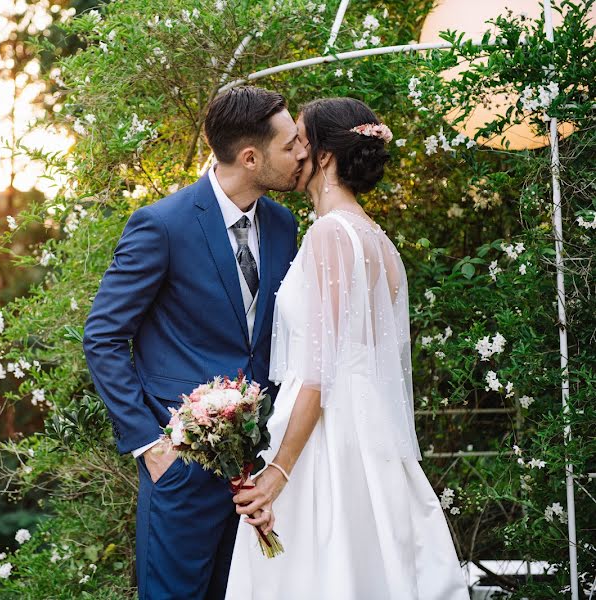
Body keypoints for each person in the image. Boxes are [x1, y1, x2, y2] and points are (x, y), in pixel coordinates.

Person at [225, 97, 470, 600]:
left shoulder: (330, 236)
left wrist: (278, 472)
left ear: (326, 156)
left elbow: (321, 371)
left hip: (325, 439)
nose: (292, 153)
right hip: (368, 431)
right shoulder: (378, 240)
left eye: (299, 141)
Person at [83, 86, 305, 599]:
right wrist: (150, 445)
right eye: (290, 144)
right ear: (251, 158)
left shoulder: (282, 223)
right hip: (182, 466)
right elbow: (104, 336)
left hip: (258, 472)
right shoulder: (162, 225)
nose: (301, 153)